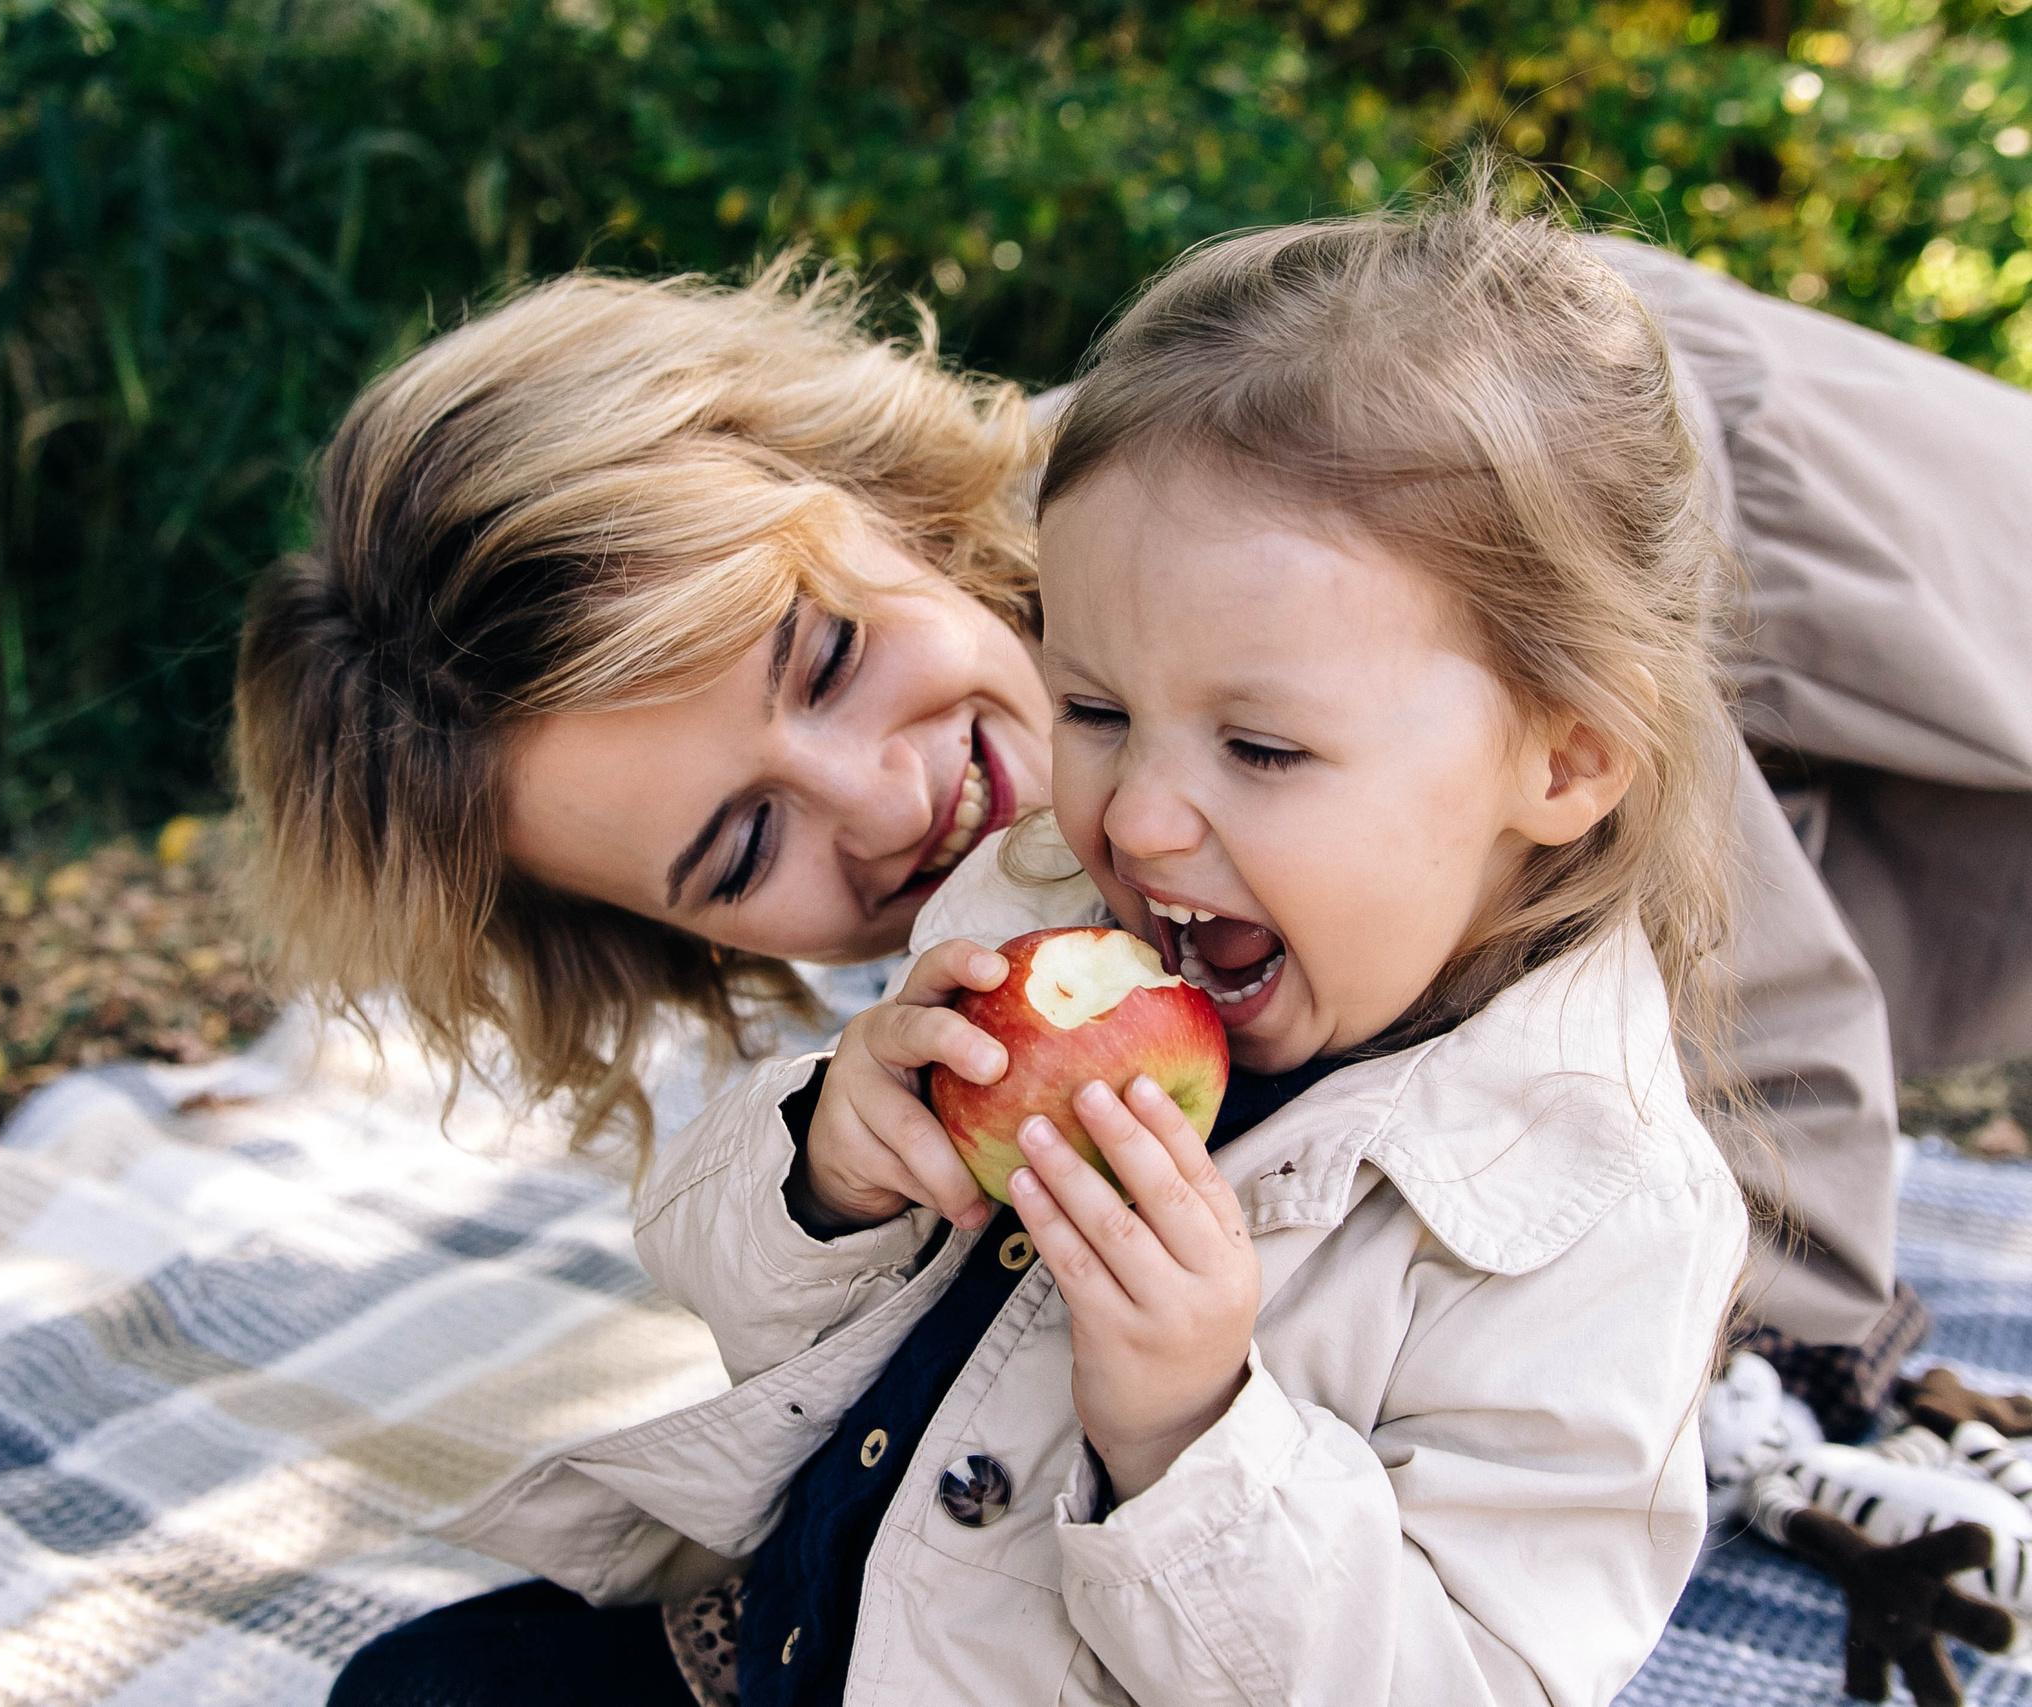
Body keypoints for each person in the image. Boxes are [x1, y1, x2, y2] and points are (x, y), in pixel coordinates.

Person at [235, 190, 2032, 1386]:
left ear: (864, 494)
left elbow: (1749, 1011)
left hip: (1869, 621)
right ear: (648, 938)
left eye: (831, 657)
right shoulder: (1039, 906)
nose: (883, 802)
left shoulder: (1282, 517)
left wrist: (1790, 1375)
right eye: (744, 845)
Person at [341, 187, 1752, 1706]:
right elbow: (746, 1296)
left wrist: (1191, 1434)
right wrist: (829, 1162)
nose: (1136, 818)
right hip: (825, 1640)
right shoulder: (1035, 896)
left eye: (1262, 749)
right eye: (1093, 711)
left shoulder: (1590, 1217)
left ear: (1563, 764)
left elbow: (1462, 1681)